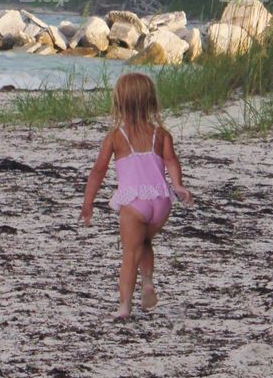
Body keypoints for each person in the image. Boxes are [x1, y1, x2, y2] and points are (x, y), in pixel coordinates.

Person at [80, 72, 193, 318]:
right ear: (150, 101)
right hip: (161, 201)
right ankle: (148, 282)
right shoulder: (161, 134)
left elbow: (98, 171)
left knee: (130, 254)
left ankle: (124, 306)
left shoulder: (115, 137)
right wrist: (179, 186)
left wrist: (88, 202)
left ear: (119, 102)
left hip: (135, 202)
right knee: (144, 241)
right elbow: (172, 161)